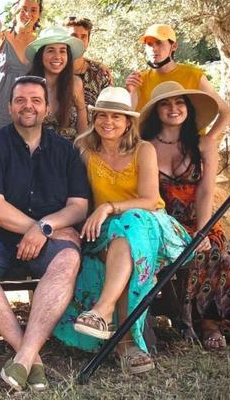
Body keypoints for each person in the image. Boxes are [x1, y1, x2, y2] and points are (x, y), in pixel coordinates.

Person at [0, 76, 89, 391]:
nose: (28, 106)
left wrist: (45, 227)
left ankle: (24, 359)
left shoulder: (65, 150)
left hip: (47, 232)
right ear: (10, 106)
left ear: (47, 108)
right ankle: (30, 357)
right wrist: (35, 228)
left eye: (35, 100)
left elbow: (79, 206)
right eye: (20, 100)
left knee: (68, 260)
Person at [52, 87, 191, 375]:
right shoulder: (84, 148)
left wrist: (108, 207)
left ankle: (103, 312)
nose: (108, 122)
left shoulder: (144, 149)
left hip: (152, 226)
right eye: (102, 115)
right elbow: (75, 194)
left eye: (117, 116)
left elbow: (150, 199)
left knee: (132, 222)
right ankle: (126, 345)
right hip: (106, 232)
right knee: (124, 242)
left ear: (128, 122)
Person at [140, 82, 230, 351]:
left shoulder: (203, 143)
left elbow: (205, 192)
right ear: (156, 111)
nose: (173, 108)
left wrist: (202, 231)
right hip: (165, 224)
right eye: (166, 104)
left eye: (179, 103)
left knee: (216, 250)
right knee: (196, 251)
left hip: (199, 220)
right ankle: (208, 325)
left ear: (188, 109)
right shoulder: (145, 147)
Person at [126, 23, 230, 135]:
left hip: (191, 147)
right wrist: (130, 91)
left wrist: (209, 139)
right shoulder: (139, 80)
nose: (154, 49)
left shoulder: (194, 75)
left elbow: (226, 113)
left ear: (174, 46)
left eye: (159, 43)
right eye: (149, 44)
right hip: (155, 149)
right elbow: (128, 120)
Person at [0, 0, 41, 134]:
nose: (28, 14)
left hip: (28, 111)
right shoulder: (0, 38)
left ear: (39, 14)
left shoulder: (42, 43)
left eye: (33, 10)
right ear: (14, 10)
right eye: (23, 9)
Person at [26, 26, 89, 140]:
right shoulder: (27, 85)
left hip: (70, 153)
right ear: (41, 55)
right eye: (51, 50)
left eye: (62, 51)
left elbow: (82, 127)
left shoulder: (76, 83)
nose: (57, 56)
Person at [64, 16, 113, 121]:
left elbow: (109, 110)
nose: (79, 41)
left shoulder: (100, 74)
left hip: (92, 135)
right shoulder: (54, 69)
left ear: (88, 40)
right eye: (74, 36)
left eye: (83, 36)